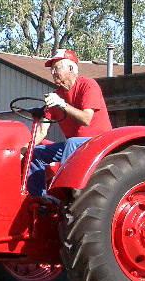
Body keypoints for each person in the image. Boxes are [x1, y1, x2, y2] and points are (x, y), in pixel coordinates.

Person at [25, 49, 112, 201]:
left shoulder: (88, 85)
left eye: (56, 68)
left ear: (71, 69)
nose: (52, 72)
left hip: (99, 143)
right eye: (51, 69)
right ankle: (39, 198)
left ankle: (65, 195)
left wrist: (62, 105)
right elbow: (42, 131)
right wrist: (25, 149)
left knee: (70, 143)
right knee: (37, 153)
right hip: (74, 147)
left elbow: (86, 119)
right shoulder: (56, 95)